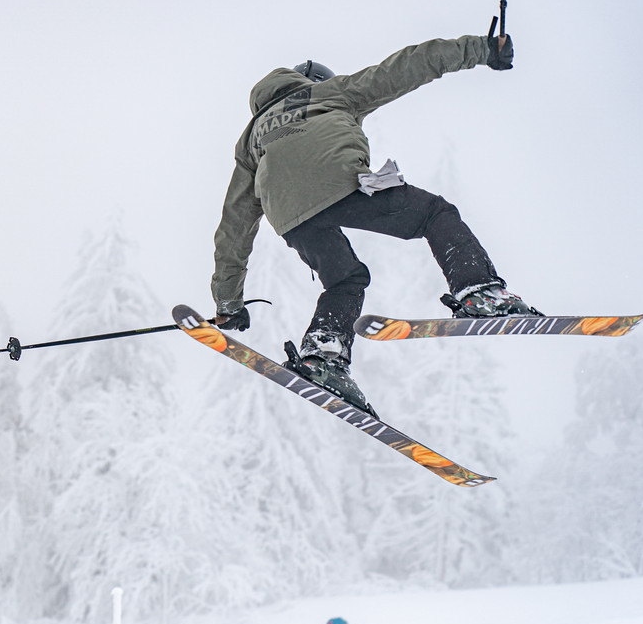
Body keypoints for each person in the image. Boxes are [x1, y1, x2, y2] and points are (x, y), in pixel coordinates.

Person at [209, 30, 536, 415]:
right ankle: (477, 291)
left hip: (290, 215)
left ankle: (324, 355)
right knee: (435, 214)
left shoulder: (251, 138)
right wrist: (482, 49)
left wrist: (228, 301)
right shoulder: (333, 93)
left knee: (345, 279)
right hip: (338, 181)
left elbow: (235, 223)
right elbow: (405, 67)